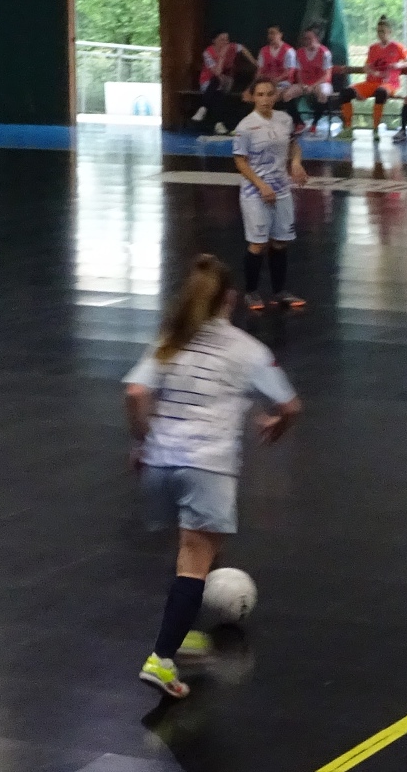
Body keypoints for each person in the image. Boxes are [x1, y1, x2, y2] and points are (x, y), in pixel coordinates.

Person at [124, 254, 302, 699]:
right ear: (231, 299)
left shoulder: (171, 338)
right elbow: (290, 405)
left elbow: (136, 392)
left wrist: (143, 441)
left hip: (160, 464)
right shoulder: (247, 349)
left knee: (190, 547)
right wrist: (278, 424)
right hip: (207, 465)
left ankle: (184, 632)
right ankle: (162, 658)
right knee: (195, 559)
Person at [234, 77, 308, 310]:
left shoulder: (284, 119)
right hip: (255, 192)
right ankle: (251, 292)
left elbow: (294, 145)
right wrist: (261, 185)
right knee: (258, 243)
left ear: (276, 95)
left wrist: (296, 163)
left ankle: (279, 292)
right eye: (260, 95)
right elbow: (240, 161)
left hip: (282, 189)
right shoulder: (245, 127)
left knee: (280, 241)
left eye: (269, 94)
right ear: (253, 97)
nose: (265, 99)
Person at [340, 17, 407, 138]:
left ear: (389, 32)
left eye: (383, 31)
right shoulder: (373, 48)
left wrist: (399, 65)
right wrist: (373, 72)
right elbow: (367, 66)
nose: (380, 34)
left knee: (380, 92)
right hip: (372, 82)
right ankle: (348, 127)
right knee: (346, 92)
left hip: (389, 83)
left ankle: (375, 129)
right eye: (378, 31)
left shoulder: (397, 47)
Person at [191, 32, 256, 130]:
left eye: (227, 39)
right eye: (222, 39)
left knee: (218, 83)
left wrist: (254, 62)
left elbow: (242, 48)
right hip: (208, 83)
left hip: (226, 81)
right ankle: (219, 124)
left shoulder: (232, 47)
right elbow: (217, 72)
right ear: (214, 41)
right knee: (218, 92)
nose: (225, 42)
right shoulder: (207, 52)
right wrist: (222, 56)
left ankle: (203, 107)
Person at [281, 26, 335, 135]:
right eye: (305, 38)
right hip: (304, 83)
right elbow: (299, 72)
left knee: (322, 94)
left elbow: (327, 75)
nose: (307, 41)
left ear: (316, 38)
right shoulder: (299, 52)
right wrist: (302, 84)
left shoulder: (325, 52)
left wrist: (313, 86)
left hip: (321, 83)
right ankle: (299, 122)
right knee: (286, 95)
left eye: (310, 38)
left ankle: (315, 123)